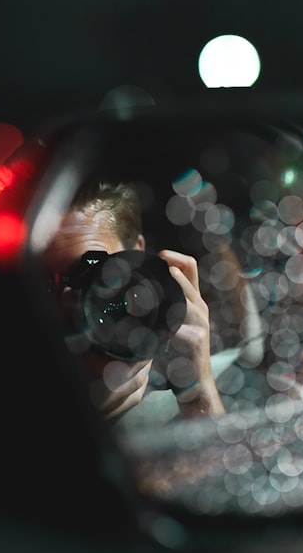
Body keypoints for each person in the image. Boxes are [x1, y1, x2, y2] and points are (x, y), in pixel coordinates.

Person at [39, 178, 225, 423]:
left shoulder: (161, 356)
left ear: (136, 257)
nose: (66, 304)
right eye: (41, 286)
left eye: (89, 275)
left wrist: (198, 392)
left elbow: (222, 456)